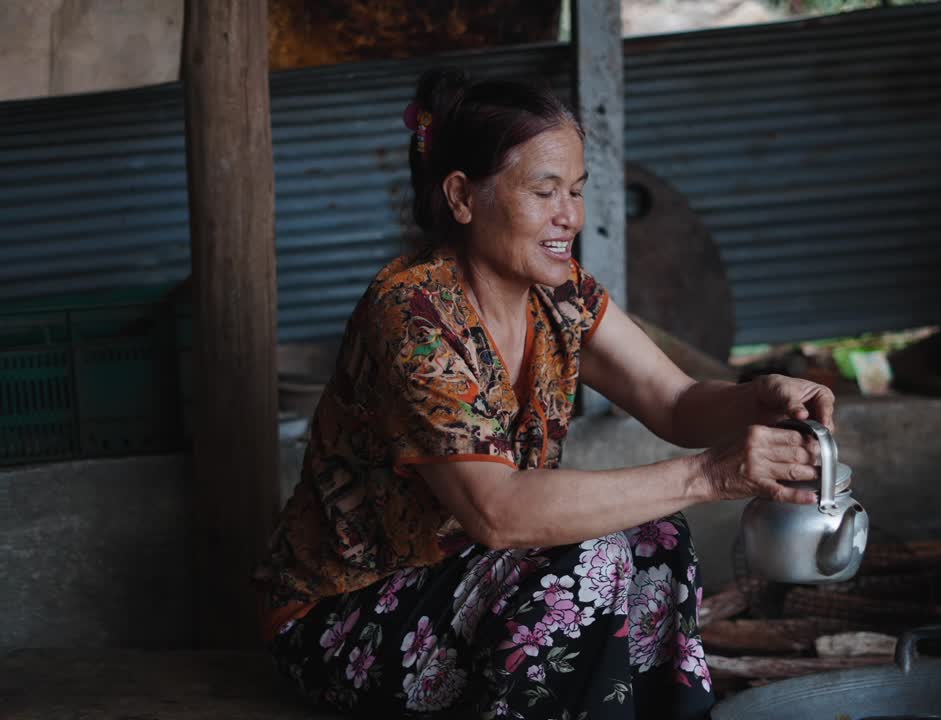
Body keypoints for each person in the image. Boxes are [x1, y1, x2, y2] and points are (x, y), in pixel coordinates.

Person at [253, 66, 835, 720]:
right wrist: (710, 474)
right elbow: (498, 513)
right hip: (346, 614)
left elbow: (674, 402)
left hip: (470, 578)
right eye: (544, 190)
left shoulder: (560, 293)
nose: (570, 216)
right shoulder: (414, 316)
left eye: (577, 191)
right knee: (594, 557)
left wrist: (758, 400)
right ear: (462, 196)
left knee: (656, 538)